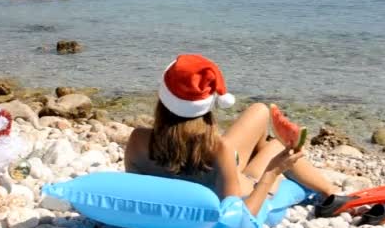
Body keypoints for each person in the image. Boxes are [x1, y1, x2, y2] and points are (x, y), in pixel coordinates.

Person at [125, 54, 336, 215]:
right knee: (278, 147)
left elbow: (138, 194)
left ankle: (328, 191)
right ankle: (333, 194)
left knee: (260, 111)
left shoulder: (137, 140)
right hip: (248, 185)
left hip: (212, 171)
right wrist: (272, 172)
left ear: (163, 99)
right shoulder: (217, 148)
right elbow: (236, 217)